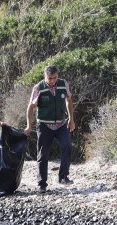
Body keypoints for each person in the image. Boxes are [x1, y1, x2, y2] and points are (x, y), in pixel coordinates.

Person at [24, 65, 76, 193]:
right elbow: (31, 107)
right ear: (45, 76)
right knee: (43, 153)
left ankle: (63, 177)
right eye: (50, 78)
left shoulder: (63, 84)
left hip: (61, 124)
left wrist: (71, 119)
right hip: (44, 125)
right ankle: (42, 184)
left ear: (57, 76)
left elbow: (69, 100)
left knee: (67, 146)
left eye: (54, 78)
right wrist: (29, 125)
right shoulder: (38, 88)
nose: (52, 80)